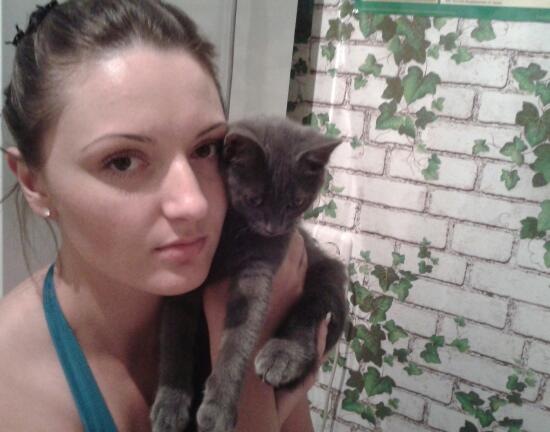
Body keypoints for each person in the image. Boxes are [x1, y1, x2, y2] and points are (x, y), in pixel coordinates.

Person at [0, 1, 329, 431]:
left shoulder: (260, 287)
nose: (192, 203)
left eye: (205, 149)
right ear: (33, 182)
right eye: (122, 161)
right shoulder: (15, 383)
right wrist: (256, 403)